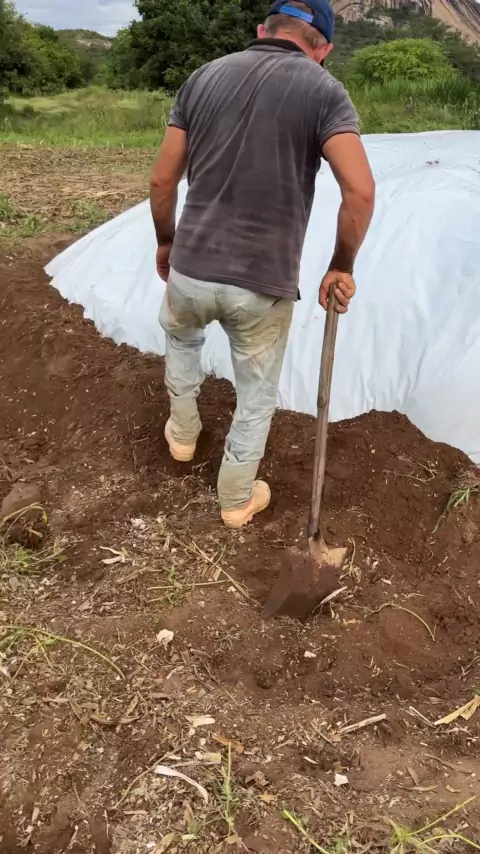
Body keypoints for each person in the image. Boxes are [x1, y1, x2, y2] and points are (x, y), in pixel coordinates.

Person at [150, 0, 375, 529]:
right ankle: (235, 499)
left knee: (182, 342)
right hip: (262, 280)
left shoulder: (203, 77)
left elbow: (162, 180)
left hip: (190, 267)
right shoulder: (323, 90)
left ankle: (182, 436)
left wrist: (166, 243)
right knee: (255, 392)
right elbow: (360, 191)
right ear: (324, 49)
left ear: (262, 30)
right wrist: (341, 265)